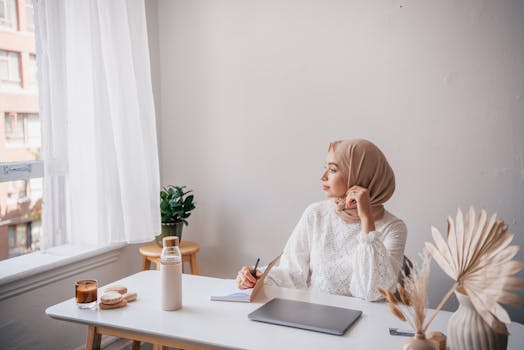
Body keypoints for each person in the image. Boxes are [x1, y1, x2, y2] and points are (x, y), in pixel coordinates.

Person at [236, 139, 407, 301]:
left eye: (333, 170)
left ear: (359, 175)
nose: (323, 176)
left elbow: (372, 293)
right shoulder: (316, 213)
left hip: (367, 323)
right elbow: (293, 273)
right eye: (325, 168)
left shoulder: (393, 228)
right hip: (316, 317)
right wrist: (256, 276)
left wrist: (366, 220)